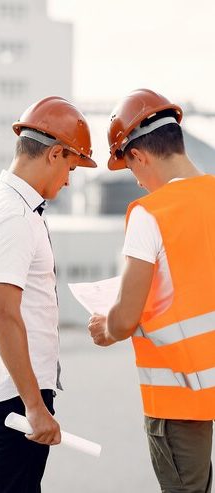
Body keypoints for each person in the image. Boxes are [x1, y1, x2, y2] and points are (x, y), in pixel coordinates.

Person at [0, 96, 97, 492]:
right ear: (55, 154)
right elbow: (3, 314)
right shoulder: (14, 217)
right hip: (15, 395)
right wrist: (35, 407)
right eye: (71, 167)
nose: (69, 180)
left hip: (2, 385)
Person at [88, 88, 215, 493]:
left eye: (131, 170)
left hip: (179, 395)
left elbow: (125, 319)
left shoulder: (150, 215)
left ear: (139, 156)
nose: (138, 183)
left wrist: (105, 327)